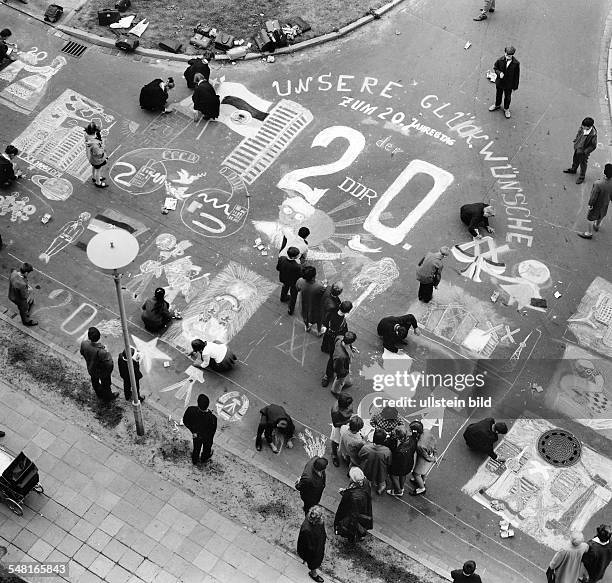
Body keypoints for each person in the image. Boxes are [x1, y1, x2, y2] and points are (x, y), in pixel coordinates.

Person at [334, 467, 373, 543]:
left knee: (352, 528)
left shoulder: (354, 496)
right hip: (364, 509)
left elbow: (351, 510)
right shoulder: (365, 482)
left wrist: (344, 494)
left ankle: (352, 539)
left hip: (354, 514)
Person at [79, 327, 118, 401]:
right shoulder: (102, 351)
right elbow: (110, 364)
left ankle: (99, 394)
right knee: (106, 385)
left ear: (89, 336)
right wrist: (107, 352)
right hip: (102, 372)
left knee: (94, 382)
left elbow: (82, 352)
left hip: (91, 369)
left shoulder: (84, 343)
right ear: (99, 337)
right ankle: (108, 397)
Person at [578, 164, 612, 239]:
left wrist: (590, 204)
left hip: (597, 205)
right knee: (601, 215)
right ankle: (597, 226)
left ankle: (589, 233)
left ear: (604, 172)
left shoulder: (598, 184)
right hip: (605, 204)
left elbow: (593, 196)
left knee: (590, 218)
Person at [182, 394, 217, 465]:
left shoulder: (190, 410)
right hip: (206, 438)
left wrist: (193, 431)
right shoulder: (212, 418)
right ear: (208, 404)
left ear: (198, 403)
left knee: (196, 448)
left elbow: (185, 421)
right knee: (207, 448)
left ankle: (195, 461)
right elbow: (212, 432)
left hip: (196, 435)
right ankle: (204, 459)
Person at [297, 505, 327, 583]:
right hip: (313, 549)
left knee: (313, 559)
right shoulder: (307, 530)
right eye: (320, 517)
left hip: (318, 543)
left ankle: (306, 560)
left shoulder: (315, 520)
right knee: (313, 562)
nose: (322, 518)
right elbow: (308, 546)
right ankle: (313, 573)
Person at [386, 425, 419, 497]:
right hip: (409, 463)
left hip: (399, 465)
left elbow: (395, 460)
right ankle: (401, 487)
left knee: (393, 475)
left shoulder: (400, 451)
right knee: (403, 474)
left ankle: (398, 491)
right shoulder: (412, 440)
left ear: (398, 436)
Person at [564, 117, 598, 185]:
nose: (582, 127)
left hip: (583, 152)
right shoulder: (583, 127)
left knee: (583, 164)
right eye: (582, 125)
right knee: (575, 159)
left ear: (589, 127)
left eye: (584, 126)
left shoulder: (593, 135)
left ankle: (582, 177)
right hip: (577, 148)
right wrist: (576, 140)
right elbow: (579, 133)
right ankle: (573, 169)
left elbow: (593, 146)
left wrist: (585, 152)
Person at [489, 46, 520, 119]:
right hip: (500, 82)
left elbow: (516, 75)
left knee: (508, 97)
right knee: (498, 95)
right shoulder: (500, 60)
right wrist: (499, 73)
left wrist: (515, 86)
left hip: (509, 84)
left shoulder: (516, 63)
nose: (507, 56)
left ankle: (506, 109)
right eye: (506, 55)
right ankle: (497, 105)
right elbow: (495, 68)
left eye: (509, 56)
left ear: (512, 55)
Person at [322, 331, 357, 396]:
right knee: (339, 381)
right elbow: (337, 368)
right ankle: (335, 391)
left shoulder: (340, 338)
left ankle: (343, 381)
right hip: (342, 368)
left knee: (342, 377)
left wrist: (351, 348)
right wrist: (342, 373)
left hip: (338, 360)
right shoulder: (341, 356)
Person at [359, 429, 391, 496]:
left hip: (368, 469)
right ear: (384, 440)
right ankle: (380, 489)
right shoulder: (387, 451)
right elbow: (389, 462)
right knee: (382, 482)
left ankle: (368, 490)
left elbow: (360, 455)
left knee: (368, 481)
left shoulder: (366, 447)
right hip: (381, 471)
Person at [296, 266, 325, 333]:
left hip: (303, 305)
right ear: (313, 277)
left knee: (305, 317)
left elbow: (297, 289)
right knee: (319, 320)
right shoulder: (319, 286)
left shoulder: (300, 281)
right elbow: (323, 294)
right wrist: (324, 285)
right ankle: (319, 331)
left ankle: (307, 327)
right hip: (315, 307)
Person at [276, 246, 302, 315]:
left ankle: (283, 298)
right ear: (294, 257)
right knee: (293, 296)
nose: (299, 255)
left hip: (284, 279)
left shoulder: (282, 258)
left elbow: (278, 268)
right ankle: (290, 310)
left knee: (285, 287)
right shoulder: (297, 266)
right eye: (298, 255)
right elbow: (300, 276)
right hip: (293, 283)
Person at [330, 394, 353, 467]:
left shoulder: (348, 404)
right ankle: (334, 454)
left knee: (345, 441)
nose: (350, 406)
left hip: (346, 424)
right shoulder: (335, 411)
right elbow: (336, 424)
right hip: (339, 427)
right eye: (349, 405)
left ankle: (344, 454)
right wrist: (348, 421)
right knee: (336, 441)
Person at [411, 428, 437, 495]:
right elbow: (434, 442)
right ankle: (423, 481)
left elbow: (425, 456)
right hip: (431, 454)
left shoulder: (420, 445)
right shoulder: (426, 430)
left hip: (425, 459)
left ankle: (421, 488)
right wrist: (435, 456)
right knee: (424, 472)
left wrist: (432, 459)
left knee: (416, 473)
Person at [84, 123, 108, 188]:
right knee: (98, 170)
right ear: (95, 132)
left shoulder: (87, 136)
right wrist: (103, 144)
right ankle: (98, 182)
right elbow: (99, 153)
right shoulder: (95, 144)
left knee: (94, 167)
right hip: (97, 159)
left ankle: (94, 177)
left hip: (92, 158)